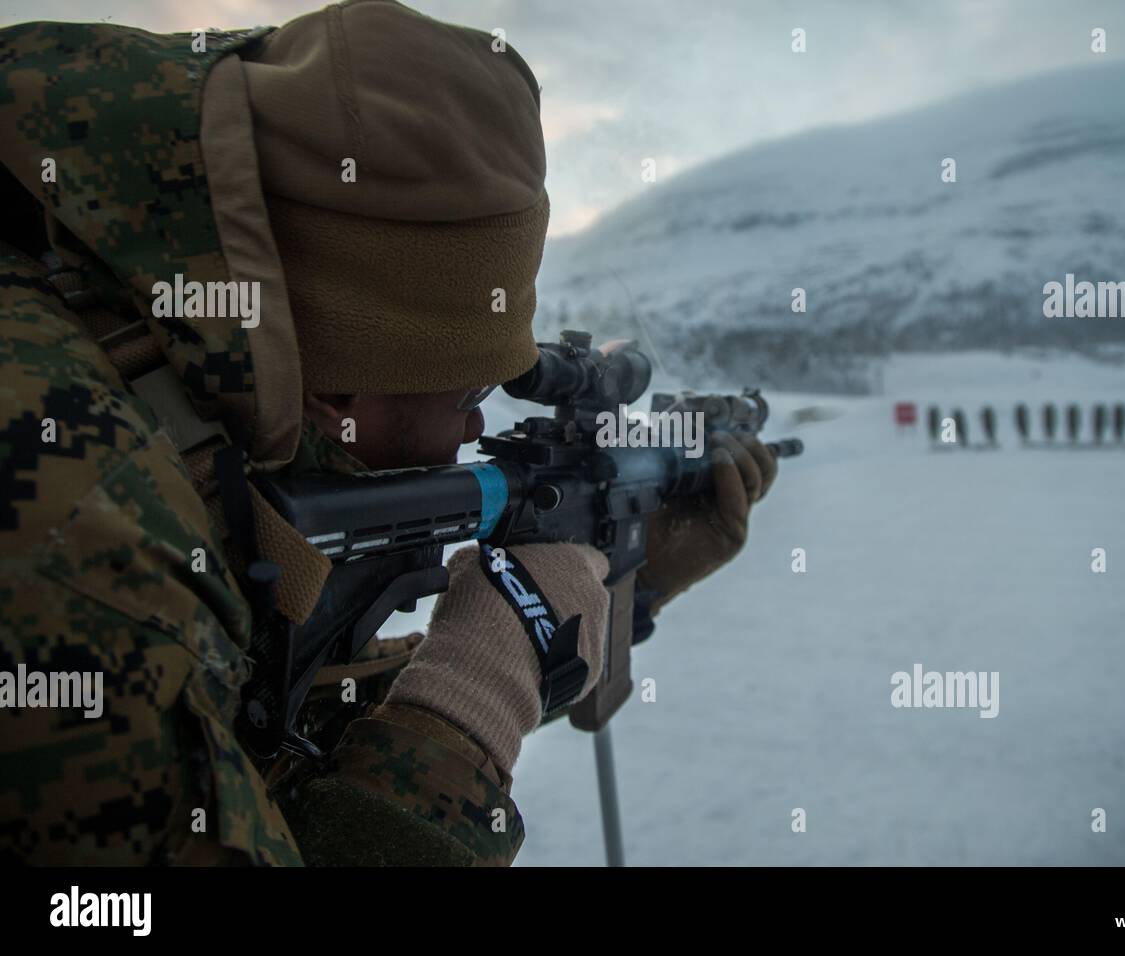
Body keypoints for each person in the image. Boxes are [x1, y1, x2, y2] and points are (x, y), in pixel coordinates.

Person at [0, 0, 777, 865]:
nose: (482, 423)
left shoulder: (160, 405)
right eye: (470, 388)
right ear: (335, 383)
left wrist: (626, 593)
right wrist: (475, 687)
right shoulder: (79, 529)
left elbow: (257, 765)